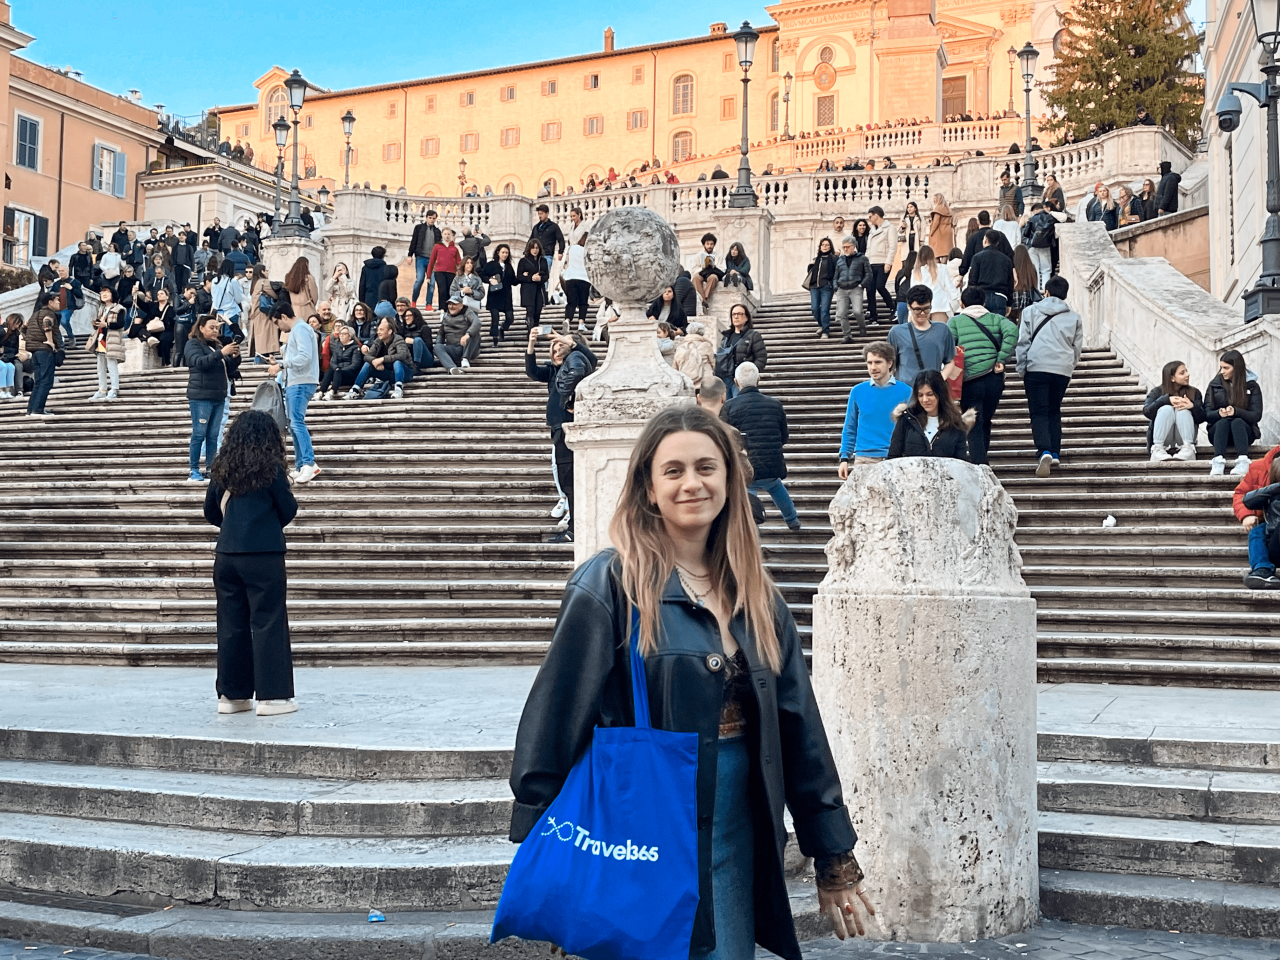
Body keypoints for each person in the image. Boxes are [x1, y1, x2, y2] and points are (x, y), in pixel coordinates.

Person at [508, 404, 873, 960]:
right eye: (672, 471)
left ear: (729, 479)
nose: (691, 483)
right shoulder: (609, 583)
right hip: (639, 832)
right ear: (648, 489)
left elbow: (800, 730)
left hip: (735, 831)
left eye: (706, 467)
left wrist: (834, 855)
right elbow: (552, 726)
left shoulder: (758, 596)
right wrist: (557, 866)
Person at [204, 410, 299, 716]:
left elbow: (210, 510)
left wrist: (233, 528)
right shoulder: (271, 468)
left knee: (231, 625)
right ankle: (273, 697)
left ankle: (232, 696)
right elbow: (288, 508)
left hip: (227, 554)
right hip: (264, 553)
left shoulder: (223, 467)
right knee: (268, 622)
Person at [525, 329, 597, 543]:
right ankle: (574, 528)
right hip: (559, 427)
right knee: (568, 482)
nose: (556, 352)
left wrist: (573, 344)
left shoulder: (576, 363)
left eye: (561, 347)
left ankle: (574, 530)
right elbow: (532, 372)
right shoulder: (554, 371)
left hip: (569, 426)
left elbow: (591, 360)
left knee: (571, 481)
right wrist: (531, 344)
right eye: (554, 349)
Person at [1016, 276, 1084, 477]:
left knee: (1038, 411)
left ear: (1046, 292)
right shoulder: (1074, 317)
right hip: (1061, 369)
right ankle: (1055, 451)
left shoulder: (1030, 311)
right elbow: (1076, 348)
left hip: (1036, 366)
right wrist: (1069, 367)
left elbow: (1023, 342)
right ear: (1065, 294)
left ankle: (1044, 450)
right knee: (1054, 409)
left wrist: (1022, 368)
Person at [722, 361, 801, 531]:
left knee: (749, 497)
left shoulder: (729, 407)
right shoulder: (775, 404)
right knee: (776, 488)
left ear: (736, 382)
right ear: (759, 379)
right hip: (771, 464)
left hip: (746, 466)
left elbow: (726, 440)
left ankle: (753, 533)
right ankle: (792, 519)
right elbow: (784, 437)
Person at [949, 286, 1018, 466]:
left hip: (969, 380)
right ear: (984, 302)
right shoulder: (997, 319)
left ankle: (980, 464)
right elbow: (1012, 331)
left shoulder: (955, 322)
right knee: (986, 419)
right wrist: (1002, 358)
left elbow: (951, 348)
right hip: (993, 378)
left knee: (973, 423)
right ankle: (982, 458)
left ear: (962, 304)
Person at [837, 341, 912, 474]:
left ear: (889, 363)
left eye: (878, 362)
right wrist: (844, 457)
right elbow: (850, 426)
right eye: (869, 363)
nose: (873, 367)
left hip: (896, 457)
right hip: (864, 459)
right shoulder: (857, 391)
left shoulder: (907, 392)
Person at [267, 305, 321, 483]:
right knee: (292, 423)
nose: (278, 327)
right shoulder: (300, 330)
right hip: (296, 380)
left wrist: (282, 365)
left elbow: (305, 357)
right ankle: (300, 465)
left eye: (277, 322)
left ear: (283, 316)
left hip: (301, 381)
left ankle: (309, 463)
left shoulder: (301, 329)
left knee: (296, 421)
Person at [184, 315, 240, 480]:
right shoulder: (193, 344)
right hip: (201, 396)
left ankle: (211, 468)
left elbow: (229, 367)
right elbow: (199, 362)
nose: (215, 331)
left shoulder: (216, 346)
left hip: (218, 396)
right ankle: (193, 469)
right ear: (201, 328)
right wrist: (221, 353)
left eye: (217, 328)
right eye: (212, 327)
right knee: (199, 433)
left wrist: (235, 357)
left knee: (213, 435)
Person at [1205, 349, 1264, 477]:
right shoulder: (1214, 385)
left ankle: (1243, 460)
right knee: (1223, 422)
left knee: (1237, 421)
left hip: (1244, 432)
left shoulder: (1252, 386)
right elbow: (1207, 413)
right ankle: (1218, 461)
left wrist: (1236, 412)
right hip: (1218, 432)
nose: (1222, 372)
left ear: (1236, 368)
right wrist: (1219, 413)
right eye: (1221, 368)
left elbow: (1256, 415)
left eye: (1226, 368)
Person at [887, 369, 971, 460]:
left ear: (940, 394)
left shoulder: (956, 423)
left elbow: (961, 462)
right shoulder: (907, 418)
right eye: (920, 395)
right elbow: (893, 457)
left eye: (930, 394)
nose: (925, 400)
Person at [890, 284, 956, 387]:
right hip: (906, 391)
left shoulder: (942, 330)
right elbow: (889, 364)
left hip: (933, 390)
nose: (922, 313)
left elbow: (950, 361)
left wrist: (940, 380)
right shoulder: (896, 332)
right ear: (909, 307)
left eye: (926, 309)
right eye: (917, 309)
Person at [1233, 444, 1280, 588]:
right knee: (1257, 533)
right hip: (1272, 527)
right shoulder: (1259, 467)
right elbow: (1242, 495)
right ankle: (1261, 570)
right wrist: (1247, 515)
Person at [1144, 360, 1204, 461]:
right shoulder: (1157, 392)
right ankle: (1157, 449)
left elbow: (1203, 417)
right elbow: (1147, 411)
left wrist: (1192, 406)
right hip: (1164, 437)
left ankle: (1188, 448)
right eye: (1182, 373)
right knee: (1166, 409)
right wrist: (1165, 400)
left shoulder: (1194, 392)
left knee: (1183, 410)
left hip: (1184, 437)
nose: (1188, 374)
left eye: (1186, 371)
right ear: (1172, 378)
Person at [347, 316, 414, 400]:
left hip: (405, 373)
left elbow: (402, 355)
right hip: (389, 373)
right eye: (378, 330)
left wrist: (382, 359)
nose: (378, 332)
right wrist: (374, 361)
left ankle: (398, 389)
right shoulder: (378, 341)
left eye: (381, 330)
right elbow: (367, 356)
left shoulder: (398, 339)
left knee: (397, 361)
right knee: (368, 364)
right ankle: (355, 390)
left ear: (390, 331)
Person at [717, 303, 767, 399]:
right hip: (726, 379)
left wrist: (749, 373)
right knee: (726, 409)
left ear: (747, 317)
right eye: (733, 314)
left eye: (740, 314)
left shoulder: (753, 335)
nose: (736, 317)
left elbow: (761, 358)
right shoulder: (726, 336)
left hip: (741, 380)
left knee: (740, 405)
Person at [88, 286, 127, 401]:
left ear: (112, 294)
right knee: (100, 365)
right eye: (102, 292)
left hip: (112, 339)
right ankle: (102, 389)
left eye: (107, 292)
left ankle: (114, 388)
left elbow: (120, 324)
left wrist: (107, 325)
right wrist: (96, 324)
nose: (103, 294)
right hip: (101, 338)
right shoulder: (101, 308)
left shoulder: (119, 308)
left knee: (111, 364)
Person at [967, 230, 1015, 316]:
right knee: (997, 327)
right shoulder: (1006, 260)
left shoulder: (977, 258)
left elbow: (972, 281)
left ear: (985, 240)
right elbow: (1010, 283)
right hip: (1000, 297)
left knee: (982, 327)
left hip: (981, 297)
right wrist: (1009, 303)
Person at [434, 293, 482, 373]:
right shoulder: (446, 316)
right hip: (453, 349)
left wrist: (467, 334)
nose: (451, 306)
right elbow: (440, 333)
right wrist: (438, 347)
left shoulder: (467, 312)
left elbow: (477, 322)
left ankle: (465, 358)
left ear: (461, 305)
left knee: (475, 333)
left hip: (468, 348)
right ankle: (452, 368)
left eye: (454, 304)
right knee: (437, 347)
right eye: (449, 304)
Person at [833, 235, 869, 342]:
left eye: (847, 247)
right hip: (842, 289)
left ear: (854, 247)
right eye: (844, 247)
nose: (845, 249)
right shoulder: (840, 260)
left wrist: (862, 285)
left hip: (856, 288)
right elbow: (835, 275)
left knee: (858, 311)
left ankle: (863, 329)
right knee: (842, 313)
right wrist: (835, 287)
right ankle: (847, 336)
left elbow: (868, 274)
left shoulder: (862, 258)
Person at [864, 207, 895, 324]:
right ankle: (873, 316)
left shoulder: (890, 228)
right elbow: (868, 249)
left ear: (876, 215)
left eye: (870, 216)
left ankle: (892, 306)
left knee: (880, 286)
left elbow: (893, 247)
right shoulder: (872, 231)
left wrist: (889, 262)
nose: (870, 219)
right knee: (870, 289)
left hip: (883, 262)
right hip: (871, 263)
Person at [482, 243, 517, 345]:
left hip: (506, 296)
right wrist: (490, 280)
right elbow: (483, 275)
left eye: (506, 253)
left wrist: (524, 277)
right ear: (498, 253)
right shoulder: (491, 265)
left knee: (510, 318)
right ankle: (495, 339)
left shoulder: (509, 266)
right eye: (503, 252)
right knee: (495, 318)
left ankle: (502, 328)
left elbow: (513, 280)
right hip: (494, 296)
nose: (505, 254)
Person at [911, 246, 956, 323]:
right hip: (940, 305)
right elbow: (951, 288)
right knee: (940, 333)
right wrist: (955, 303)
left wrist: (911, 311)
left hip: (922, 307)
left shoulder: (915, 272)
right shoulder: (942, 268)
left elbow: (912, 293)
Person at [320, 323, 363, 400]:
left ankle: (332, 392)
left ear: (350, 336)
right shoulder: (338, 346)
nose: (341, 335)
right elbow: (333, 361)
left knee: (338, 371)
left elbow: (355, 364)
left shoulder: (355, 348)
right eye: (340, 333)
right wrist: (336, 368)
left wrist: (341, 369)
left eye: (344, 334)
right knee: (330, 370)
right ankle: (321, 392)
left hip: (349, 374)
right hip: (338, 374)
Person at [805, 238, 838, 339]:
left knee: (824, 309)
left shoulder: (833, 258)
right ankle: (822, 324)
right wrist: (811, 264)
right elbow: (810, 272)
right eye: (822, 245)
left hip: (827, 287)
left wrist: (834, 284)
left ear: (830, 246)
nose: (824, 246)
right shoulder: (816, 259)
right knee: (814, 308)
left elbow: (837, 272)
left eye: (827, 245)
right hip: (814, 286)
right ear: (819, 247)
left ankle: (825, 331)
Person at [409, 210, 442, 306]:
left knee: (431, 282)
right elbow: (414, 241)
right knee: (419, 279)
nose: (432, 220)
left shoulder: (437, 231)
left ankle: (429, 304)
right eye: (430, 218)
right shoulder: (419, 228)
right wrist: (410, 255)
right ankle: (414, 301)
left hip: (433, 260)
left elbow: (439, 246)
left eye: (434, 218)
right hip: (421, 257)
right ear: (426, 218)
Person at [560, 234, 592, 332]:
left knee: (571, 302)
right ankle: (581, 324)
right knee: (583, 303)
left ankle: (567, 320)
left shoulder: (571, 248)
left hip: (571, 277)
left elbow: (563, 262)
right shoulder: (588, 251)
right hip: (584, 278)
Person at [1021, 203, 1056, 290]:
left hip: (1032, 246)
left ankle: (1035, 290)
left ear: (1035, 210)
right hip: (1045, 246)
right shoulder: (1050, 218)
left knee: (1034, 269)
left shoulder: (1032, 219)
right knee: (1046, 269)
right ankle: (1045, 289)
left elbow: (1025, 233)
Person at [673, 320, 717, 389]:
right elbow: (714, 363)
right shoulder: (706, 345)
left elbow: (675, 368)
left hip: (686, 383)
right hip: (705, 383)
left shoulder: (680, 348)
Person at [530, 204, 566, 284]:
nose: (540, 216)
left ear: (547, 213)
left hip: (547, 254)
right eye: (539, 214)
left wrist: (560, 252)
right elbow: (531, 241)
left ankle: (544, 292)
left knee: (544, 276)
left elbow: (561, 239)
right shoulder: (536, 227)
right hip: (535, 256)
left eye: (541, 213)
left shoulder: (553, 226)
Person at [517, 240, 548, 331]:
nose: (535, 250)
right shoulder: (523, 261)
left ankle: (535, 327)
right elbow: (519, 276)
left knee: (538, 310)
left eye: (537, 248)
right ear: (529, 249)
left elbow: (546, 275)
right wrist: (531, 278)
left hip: (539, 289)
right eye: (533, 248)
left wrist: (540, 279)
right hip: (528, 290)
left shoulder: (543, 260)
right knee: (530, 310)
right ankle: (530, 331)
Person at [211, 259, 245, 339]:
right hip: (231, 312)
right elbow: (238, 299)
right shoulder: (232, 281)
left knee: (219, 336)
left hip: (219, 312)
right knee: (230, 336)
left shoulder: (214, 280)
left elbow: (213, 296)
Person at [1007, 246, 1043, 321]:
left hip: (1014, 299)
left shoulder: (1011, 268)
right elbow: (1034, 284)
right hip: (1027, 300)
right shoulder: (1031, 268)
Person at [691, 233, 724, 312]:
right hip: (702, 273)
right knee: (696, 278)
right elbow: (693, 270)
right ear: (704, 245)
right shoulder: (698, 255)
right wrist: (702, 267)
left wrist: (714, 266)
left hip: (712, 273)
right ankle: (703, 299)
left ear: (714, 245)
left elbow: (723, 268)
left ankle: (704, 298)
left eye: (711, 244)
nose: (709, 246)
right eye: (708, 244)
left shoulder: (719, 255)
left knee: (713, 277)